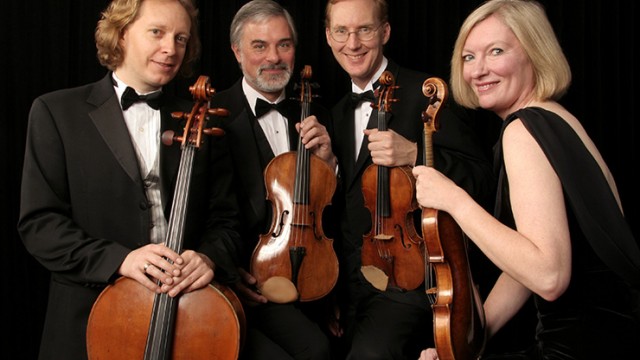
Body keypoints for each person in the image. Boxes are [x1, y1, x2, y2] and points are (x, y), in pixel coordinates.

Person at [414, 0, 640, 359]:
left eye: (496, 51)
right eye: (469, 57)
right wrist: (467, 344)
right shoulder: (556, 119)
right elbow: (525, 269)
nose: (478, 70)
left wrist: (453, 199)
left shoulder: (524, 131)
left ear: (534, 53)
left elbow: (549, 277)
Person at [17, 0, 242, 359]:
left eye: (181, 38)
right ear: (121, 34)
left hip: (188, 318)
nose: (171, 49)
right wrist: (121, 260)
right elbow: (40, 225)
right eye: (157, 32)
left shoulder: (204, 121)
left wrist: (208, 257)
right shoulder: (56, 112)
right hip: (88, 318)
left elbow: (227, 220)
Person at [324, 0, 496, 358]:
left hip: (409, 285)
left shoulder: (427, 93)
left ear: (385, 32)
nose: (352, 43)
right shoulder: (336, 112)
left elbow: (481, 180)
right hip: (351, 292)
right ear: (328, 36)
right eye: (341, 31)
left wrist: (415, 154)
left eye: (365, 30)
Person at [207, 1, 337, 359]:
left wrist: (329, 163)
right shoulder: (212, 115)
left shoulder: (317, 114)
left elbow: (332, 210)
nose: (274, 57)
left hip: (309, 272)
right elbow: (199, 211)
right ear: (236, 52)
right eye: (259, 46)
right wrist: (227, 274)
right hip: (242, 281)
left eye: (284, 44)